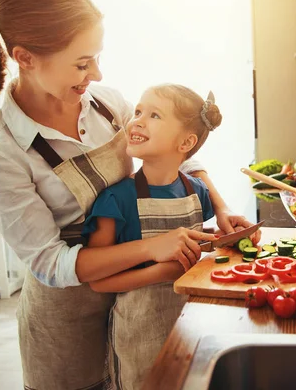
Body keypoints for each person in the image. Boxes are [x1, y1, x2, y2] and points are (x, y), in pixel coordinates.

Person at [0, 0, 260, 390]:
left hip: (135, 292)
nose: (96, 74)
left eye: (97, 57)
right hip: (64, 309)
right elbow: (50, 263)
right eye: (82, 63)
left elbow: (174, 157)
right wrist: (153, 247)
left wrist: (223, 208)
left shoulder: (107, 105)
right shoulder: (1, 152)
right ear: (25, 58)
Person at [83, 84, 221, 389]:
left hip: (192, 328)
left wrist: (220, 242)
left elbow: (201, 242)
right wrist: (162, 272)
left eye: (154, 115)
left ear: (186, 141)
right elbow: (97, 281)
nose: (137, 121)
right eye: (138, 111)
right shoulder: (115, 200)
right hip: (137, 334)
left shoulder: (197, 192)